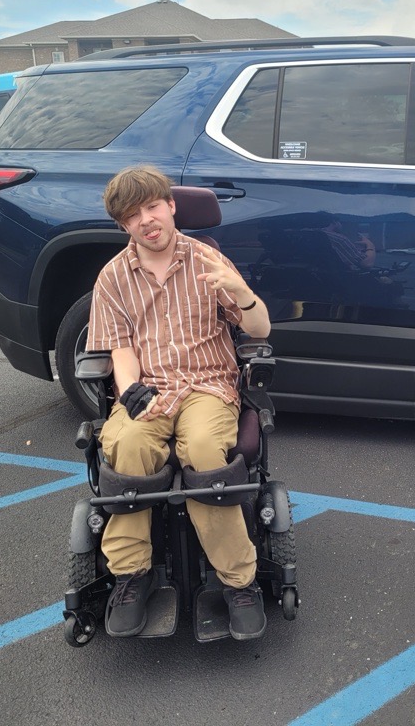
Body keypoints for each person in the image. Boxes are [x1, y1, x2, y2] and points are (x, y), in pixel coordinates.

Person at [86, 165, 272, 639]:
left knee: (207, 452)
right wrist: (129, 390)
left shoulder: (208, 260)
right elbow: (121, 351)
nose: (147, 220)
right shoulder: (111, 278)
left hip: (208, 386)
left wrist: (243, 294)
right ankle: (132, 575)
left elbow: (260, 331)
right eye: (133, 215)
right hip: (150, 386)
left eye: (153, 207)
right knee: (127, 447)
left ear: (170, 207)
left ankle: (238, 582)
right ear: (124, 226)